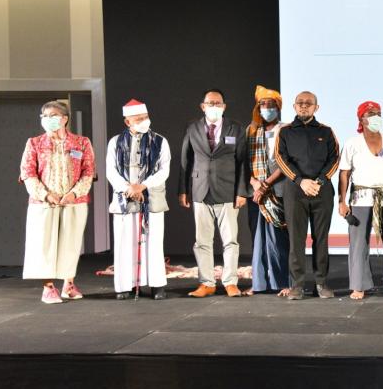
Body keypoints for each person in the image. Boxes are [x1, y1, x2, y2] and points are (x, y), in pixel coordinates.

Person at [19, 100, 95, 304]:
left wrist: (74, 194)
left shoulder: (81, 142)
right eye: (45, 116)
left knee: (71, 243)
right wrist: (46, 195)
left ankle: (68, 284)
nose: (48, 119)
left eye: (53, 116)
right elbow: (27, 173)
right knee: (44, 244)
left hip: (73, 202)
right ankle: (48, 287)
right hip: (44, 203)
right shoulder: (34, 143)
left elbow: (88, 172)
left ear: (65, 119)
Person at [178, 89, 248, 298]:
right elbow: (185, 161)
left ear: (224, 106)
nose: (214, 106)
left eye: (218, 103)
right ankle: (206, 283)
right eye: (210, 103)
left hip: (228, 191)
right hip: (200, 190)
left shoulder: (236, 128)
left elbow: (243, 162)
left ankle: (230, 282)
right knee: (202, 242)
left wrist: (242, 191)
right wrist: (183, 190)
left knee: (230, 241)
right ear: (203, 106)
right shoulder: (192, 128)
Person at [338, 101, 383, 300]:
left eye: (378, 113)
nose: (376, 116)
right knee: (359, 243)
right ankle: (359, 285)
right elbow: (344, 174)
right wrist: (341, 201)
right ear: (361, 119)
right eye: (370, 113)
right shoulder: (353, 143)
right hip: (361, 198)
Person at [275, 91, 340, 300]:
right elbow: (281, 158)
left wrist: (319, 181)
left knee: (321, 239)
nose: (304, 106)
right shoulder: (285, 132)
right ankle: (297, 285)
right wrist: (300, 181)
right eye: (300, 103)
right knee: (296, 240)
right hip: (295, 192)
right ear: (294, 106)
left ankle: (321, 283)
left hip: (322, 192)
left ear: (316, 108)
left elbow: (334, 159)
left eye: (308, 103)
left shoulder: (326, 131)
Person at [106, 99, 171, 300]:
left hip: (152, 199)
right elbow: (111, 171)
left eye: (146, 117)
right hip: (125, 200)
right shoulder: (115, 142)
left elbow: (164, 170)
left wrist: (142, 186)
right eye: (138, 119)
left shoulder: (160, 141)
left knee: (154, 243)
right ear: (128, 122)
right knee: (125, 244)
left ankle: (157, 285)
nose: (144, 121)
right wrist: (129, 188)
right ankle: (125, 285)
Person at [243, 85, 291, 296]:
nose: (267, 108)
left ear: (278, 108)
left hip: (278, 191)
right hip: (256, 193)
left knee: (279, 240)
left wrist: (265, 185)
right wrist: (254, 183)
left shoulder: (286, 129)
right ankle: (259, 283)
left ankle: (283, 283)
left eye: (271, 105)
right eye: (263, 105)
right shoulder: (251, 130)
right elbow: (243, 161)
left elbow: (286, 162)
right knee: (258, 240)